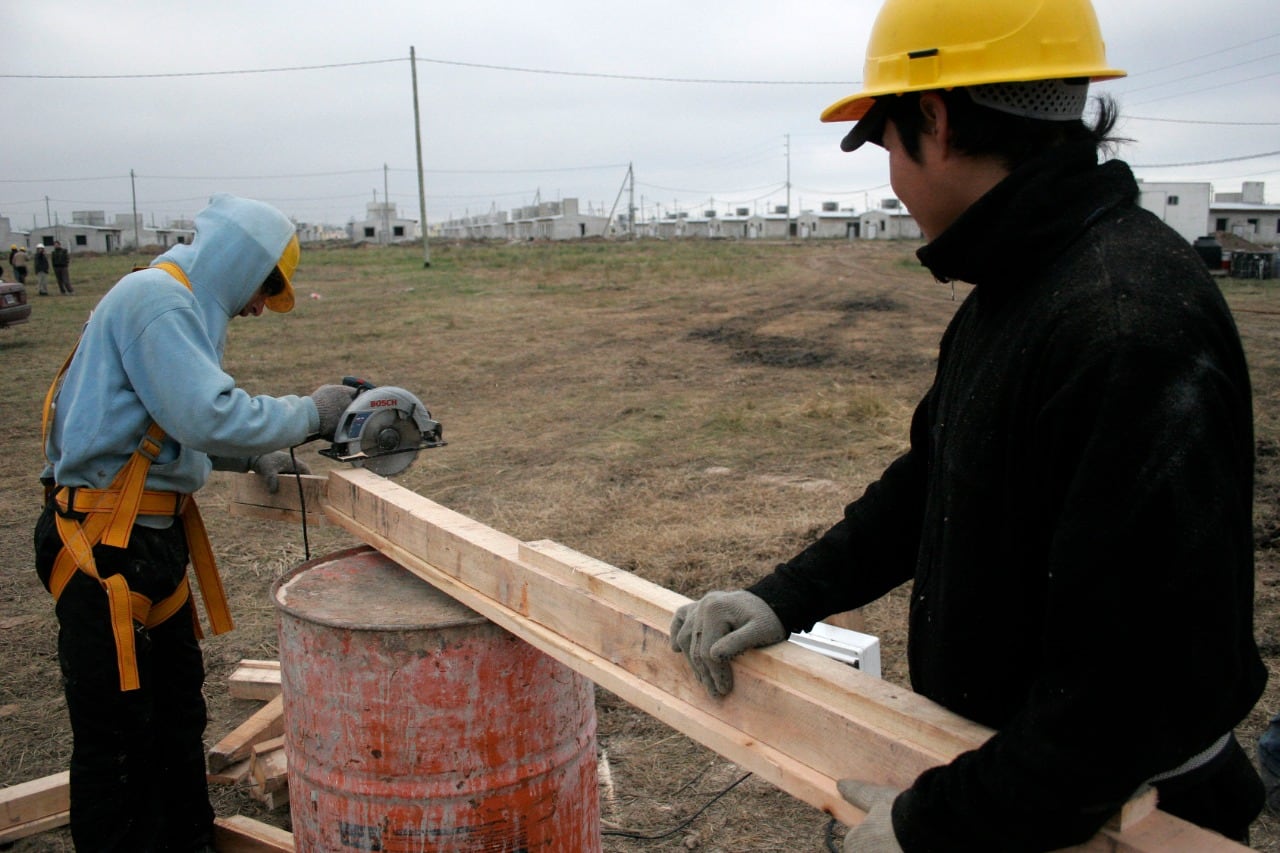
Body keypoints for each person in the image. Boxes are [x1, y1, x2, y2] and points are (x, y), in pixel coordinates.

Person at [669, 0, 1267, 850]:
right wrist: (784, 597)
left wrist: (932, 828)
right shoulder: (1024, 284)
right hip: (1020, 779)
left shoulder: (1126, 325)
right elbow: (935, 480)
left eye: (884, 145)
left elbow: (1124, 696)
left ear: (935, 118)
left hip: (1120, 814)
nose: (891, 181)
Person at [35, 193, 358, 852]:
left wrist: (251, 450)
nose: (261, 305)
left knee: (178, 716)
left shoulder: (174, 307)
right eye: (266, 285)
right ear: (238, 261)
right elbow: (205, 415)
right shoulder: (158, 302)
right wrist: (311, 414)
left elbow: (171, 421)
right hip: (106, 549)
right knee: (117, 739)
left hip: (144, 542)